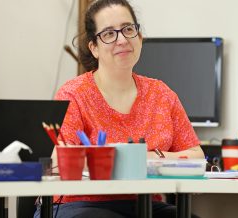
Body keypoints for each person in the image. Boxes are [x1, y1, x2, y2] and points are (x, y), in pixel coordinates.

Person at [34, 0, 204, 217]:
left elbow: (196, 156)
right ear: (94, 48)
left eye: (128, 29)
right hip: (77, 205)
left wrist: (153, 156)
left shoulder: (162, 94)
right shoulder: (74, 93)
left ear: (140, 38)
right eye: (108, 34)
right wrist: (129, 159)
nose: (122, 40)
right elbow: (61, 162)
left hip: (142, 204)